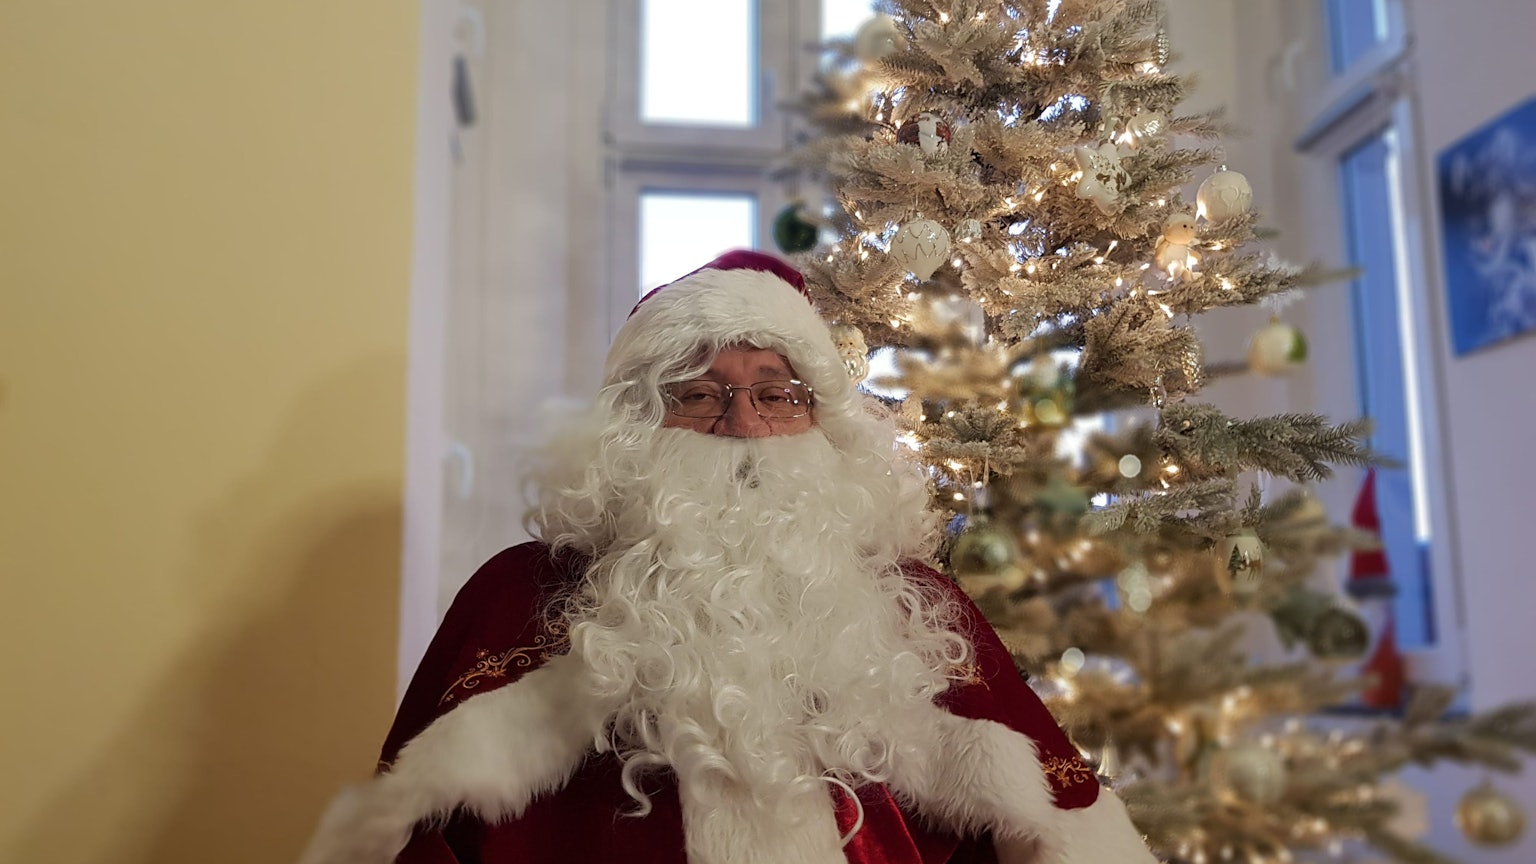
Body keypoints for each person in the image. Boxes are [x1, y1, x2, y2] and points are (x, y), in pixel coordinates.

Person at [299, 251, 1157, 864]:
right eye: (699, 395)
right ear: (634, 426)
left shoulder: (916, 606)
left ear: (822, 421)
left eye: (777, 395)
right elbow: (402, 834)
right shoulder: (517, 594)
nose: (743, 425)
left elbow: (1063, 825)